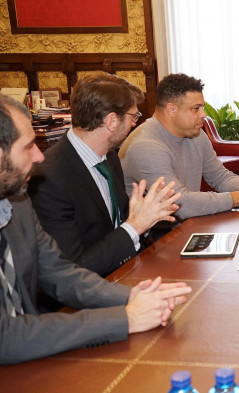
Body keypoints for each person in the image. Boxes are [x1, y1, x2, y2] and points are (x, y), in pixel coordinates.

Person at [0, 95, 191, 364]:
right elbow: (5, 337)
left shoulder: (16, 202)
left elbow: (59, 272)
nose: (39, 155)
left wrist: (131, 297)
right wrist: (125, 318)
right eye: (28, 146)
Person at [28, 73, 181, 277]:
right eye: (133, 116)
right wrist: (136, 225)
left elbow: (119, 226)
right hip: (82, 296)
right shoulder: (49, 178)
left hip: (126, 270)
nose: (135, 123)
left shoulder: (109, 157)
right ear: (112, 121)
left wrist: (149, 216)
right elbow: (72, 270)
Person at [119, 73, 239, 220]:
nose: (204, 114)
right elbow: (180, 204)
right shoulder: (144, 146)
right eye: (196, 108)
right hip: (155, 237)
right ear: (171, 109)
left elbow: (219, 176)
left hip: (187, 223)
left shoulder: (195, 134)